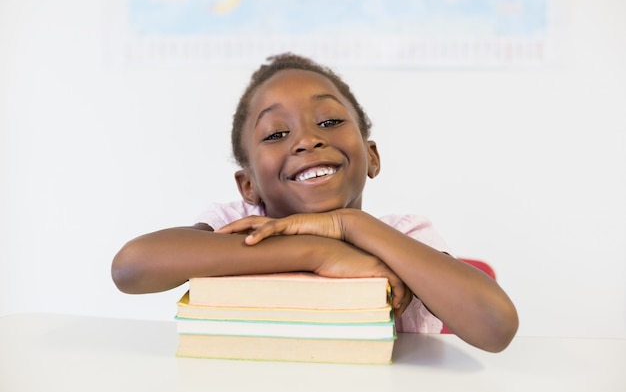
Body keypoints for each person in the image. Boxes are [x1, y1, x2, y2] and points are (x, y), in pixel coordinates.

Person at [112, 53, 518, 352]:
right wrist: (317, 252)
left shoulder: (402, 235)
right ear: (248, 185)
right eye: (275, 134)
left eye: (328, 122)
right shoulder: (234, 223)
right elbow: (131, 267)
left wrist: (352, 227)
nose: (307, 140)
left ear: (372, 156)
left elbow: (494, 326)